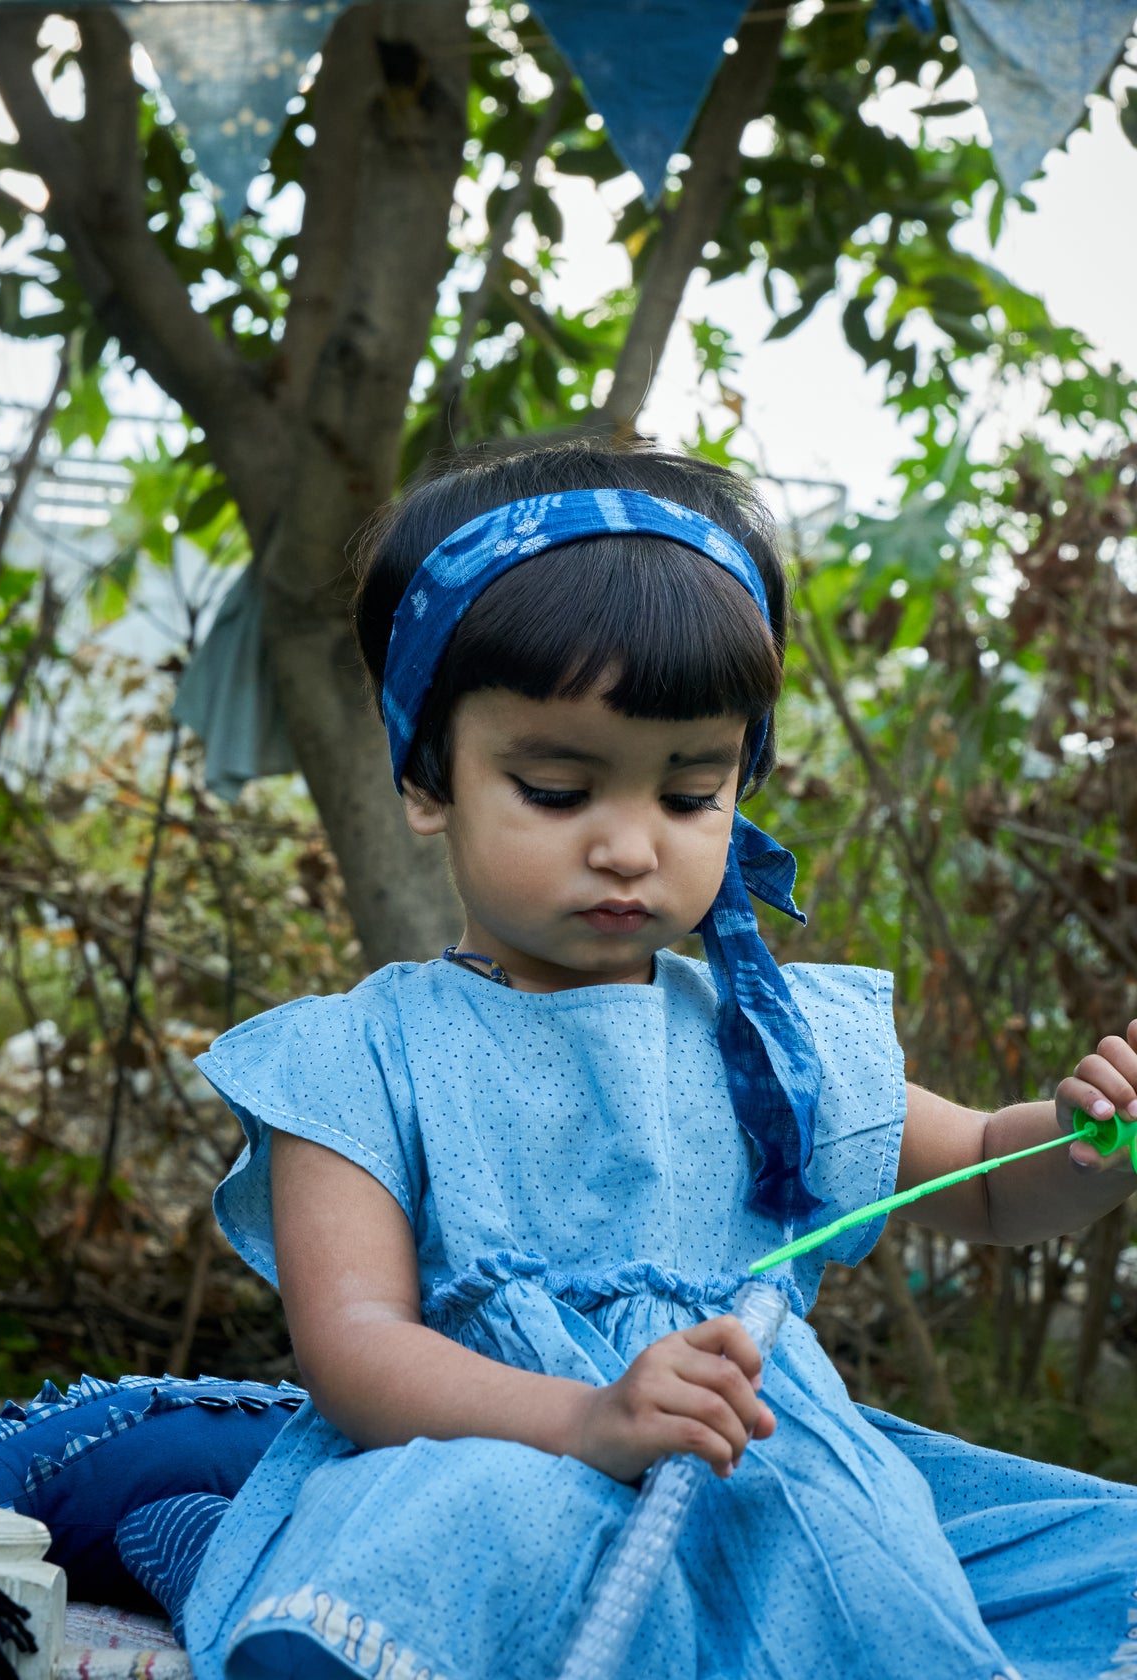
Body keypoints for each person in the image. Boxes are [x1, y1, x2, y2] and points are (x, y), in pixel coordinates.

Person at [181, 440, 1137, 1680]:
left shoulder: (770, 1042)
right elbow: (358, 1348)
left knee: (1068, 1545)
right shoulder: (364, 1055)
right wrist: (584, 1420)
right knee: (467, 1540)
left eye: (690, 795)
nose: (630, 847)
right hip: (503, 1457)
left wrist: (1088, 1141)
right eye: (558, 788)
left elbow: (992, 1182)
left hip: (760, 1466)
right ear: (431, 778)